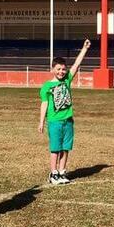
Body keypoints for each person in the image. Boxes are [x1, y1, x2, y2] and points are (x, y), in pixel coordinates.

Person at [38, 39, 91, 185]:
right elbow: (44, 103)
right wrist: (41, 121)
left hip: (68, 120)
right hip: (54, 122)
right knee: (55, 148)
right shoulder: (46, 86)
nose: (61, 72)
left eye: (63, 69)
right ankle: (53, 173)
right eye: (58, 69)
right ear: (52, 69)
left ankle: (62, 171)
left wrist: (84, 49)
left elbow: (76, 65)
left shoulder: (67, 80)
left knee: (66, 147)